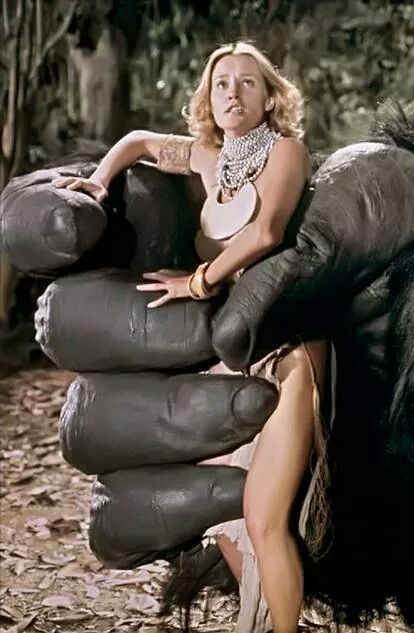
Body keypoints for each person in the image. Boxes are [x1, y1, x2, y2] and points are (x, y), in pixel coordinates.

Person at [54, 41, 331, 633]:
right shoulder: (207, 159)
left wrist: (198, 281)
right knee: (222, 516)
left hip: (288, 348)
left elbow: (265, 232)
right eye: (222, 82)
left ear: (269, 99)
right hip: (229, 352)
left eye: (248, 82)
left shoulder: (286, 152)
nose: (233, 92)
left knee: (264, 519)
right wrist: (100, 182)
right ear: (209, 97)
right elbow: (136, 141)